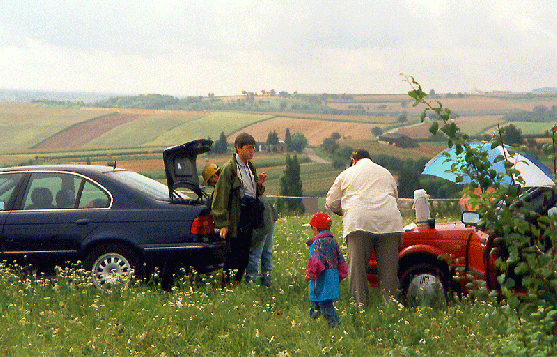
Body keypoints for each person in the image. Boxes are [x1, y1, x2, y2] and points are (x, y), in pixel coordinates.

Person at [325, 149, 403, 306]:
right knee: (389, 273)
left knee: (358, 270)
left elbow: (331, 202)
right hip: (389, 222)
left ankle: (360, 306)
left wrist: (343, 210)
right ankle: (390, 306)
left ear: (353, 160)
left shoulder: (346, 174)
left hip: (359, 222)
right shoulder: (386, 173)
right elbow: (395, 198)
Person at [211, 133, 267, 283]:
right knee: (232, 253)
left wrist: (259, 184)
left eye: (253, 148)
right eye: (249, 148)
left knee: (244, 253)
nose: (252, 151)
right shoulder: (229, 169)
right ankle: (227, 284)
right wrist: (223, 223)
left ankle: (237, 282)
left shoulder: (250, 167)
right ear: (238, 148)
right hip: (236, 216)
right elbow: (221, 196)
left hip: (249, 215)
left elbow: (253, 192)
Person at [304, 212, 348, 327]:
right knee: (318, 303)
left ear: (315, 228)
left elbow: (316, 261)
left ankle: (335, 326)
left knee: (325, 304)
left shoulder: (316, 243)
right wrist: (341, 274)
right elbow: (341, 260)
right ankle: (311, 324)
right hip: (333, 276)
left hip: (320, 278)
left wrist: (310, 274)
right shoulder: (333, 242)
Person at [245, 194, 278, 286]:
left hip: (263, 221)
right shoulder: (252, 188)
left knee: (255, 253)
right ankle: (267, 281)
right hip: (268, 218)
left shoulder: (246, 193)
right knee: (266, 252)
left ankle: (251, 283)